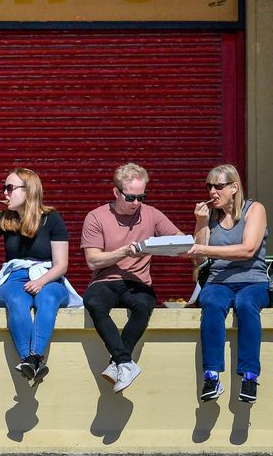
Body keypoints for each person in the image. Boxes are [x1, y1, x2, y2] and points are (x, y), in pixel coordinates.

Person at [0, 167, 81, 384]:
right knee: (17, 300)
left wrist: (41, 282)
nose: (5, 193)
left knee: (48, 298)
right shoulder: (4, 219)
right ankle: (28, 359)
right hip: (14, 277)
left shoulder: (51, 219)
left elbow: (61, 264)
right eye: (4, 188)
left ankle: (35, 356)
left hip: (48, 275)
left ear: (28, 191)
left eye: (10, 188)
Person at [80, 163, 183, 393]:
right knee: (94, 302)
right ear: (116, 192)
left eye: (141, 197)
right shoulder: (96, 216)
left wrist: (159, 245)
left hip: (137, 282)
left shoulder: (151, 214)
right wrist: (125, 251)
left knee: (144, 304)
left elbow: (181, 241)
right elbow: (93, 261)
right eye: (131, 197)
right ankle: (125, 361)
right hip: (105, 280)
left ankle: (120, 362)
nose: (137, 203)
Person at [182, 164, 268, 404]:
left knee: (247, 304)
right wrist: (200, 223)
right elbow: (198, 258)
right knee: (211, 303)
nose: (212, 192)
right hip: (218, 281)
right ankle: (211, 375)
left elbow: (248, 250)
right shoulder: (211, 216)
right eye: (208, 186)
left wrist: (205, 248)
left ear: (234, 187)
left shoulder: (255, 209)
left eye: (218, 186)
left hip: (252, 280)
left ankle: (250, 376)